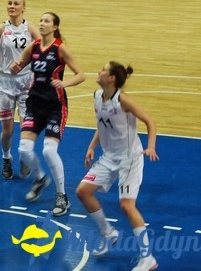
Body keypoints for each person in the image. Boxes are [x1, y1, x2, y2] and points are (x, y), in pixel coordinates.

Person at [76, 62, 159, 271]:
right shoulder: (97, 96)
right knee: (83, 192)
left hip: (130, 158)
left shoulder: (123, 100)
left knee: (126, 206)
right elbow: (102, 124)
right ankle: (108, 232)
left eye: (103, 70)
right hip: (109, 156)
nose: (99, 71)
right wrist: (92, 146)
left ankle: (147, 258)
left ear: (112, 78)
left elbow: (150, 121)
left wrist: (150, 146)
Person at [10, 12, 85, 216]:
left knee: (48, 151)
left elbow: (81, 75)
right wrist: (14, 67)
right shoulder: (33, 46)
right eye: (41, 20)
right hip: (34, 104)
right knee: (24, 149)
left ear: (55, 27)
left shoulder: (60, 49)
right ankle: (41, 178)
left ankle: (62, 196)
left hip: (55, 106)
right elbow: (19, 65)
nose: (42, 24)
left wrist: (65, 82)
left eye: (46, 21)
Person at [0, 0, 40, 180]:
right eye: (9, 3)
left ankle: (24, 156)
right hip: (5, 82)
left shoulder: (29, 28)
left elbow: (43, 48)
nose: (12, 6)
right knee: (7, 129)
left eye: (16, 4)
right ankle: (6, 158)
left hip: (26, 82)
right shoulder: (1, 28)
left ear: (24, 8)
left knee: (26, 127)